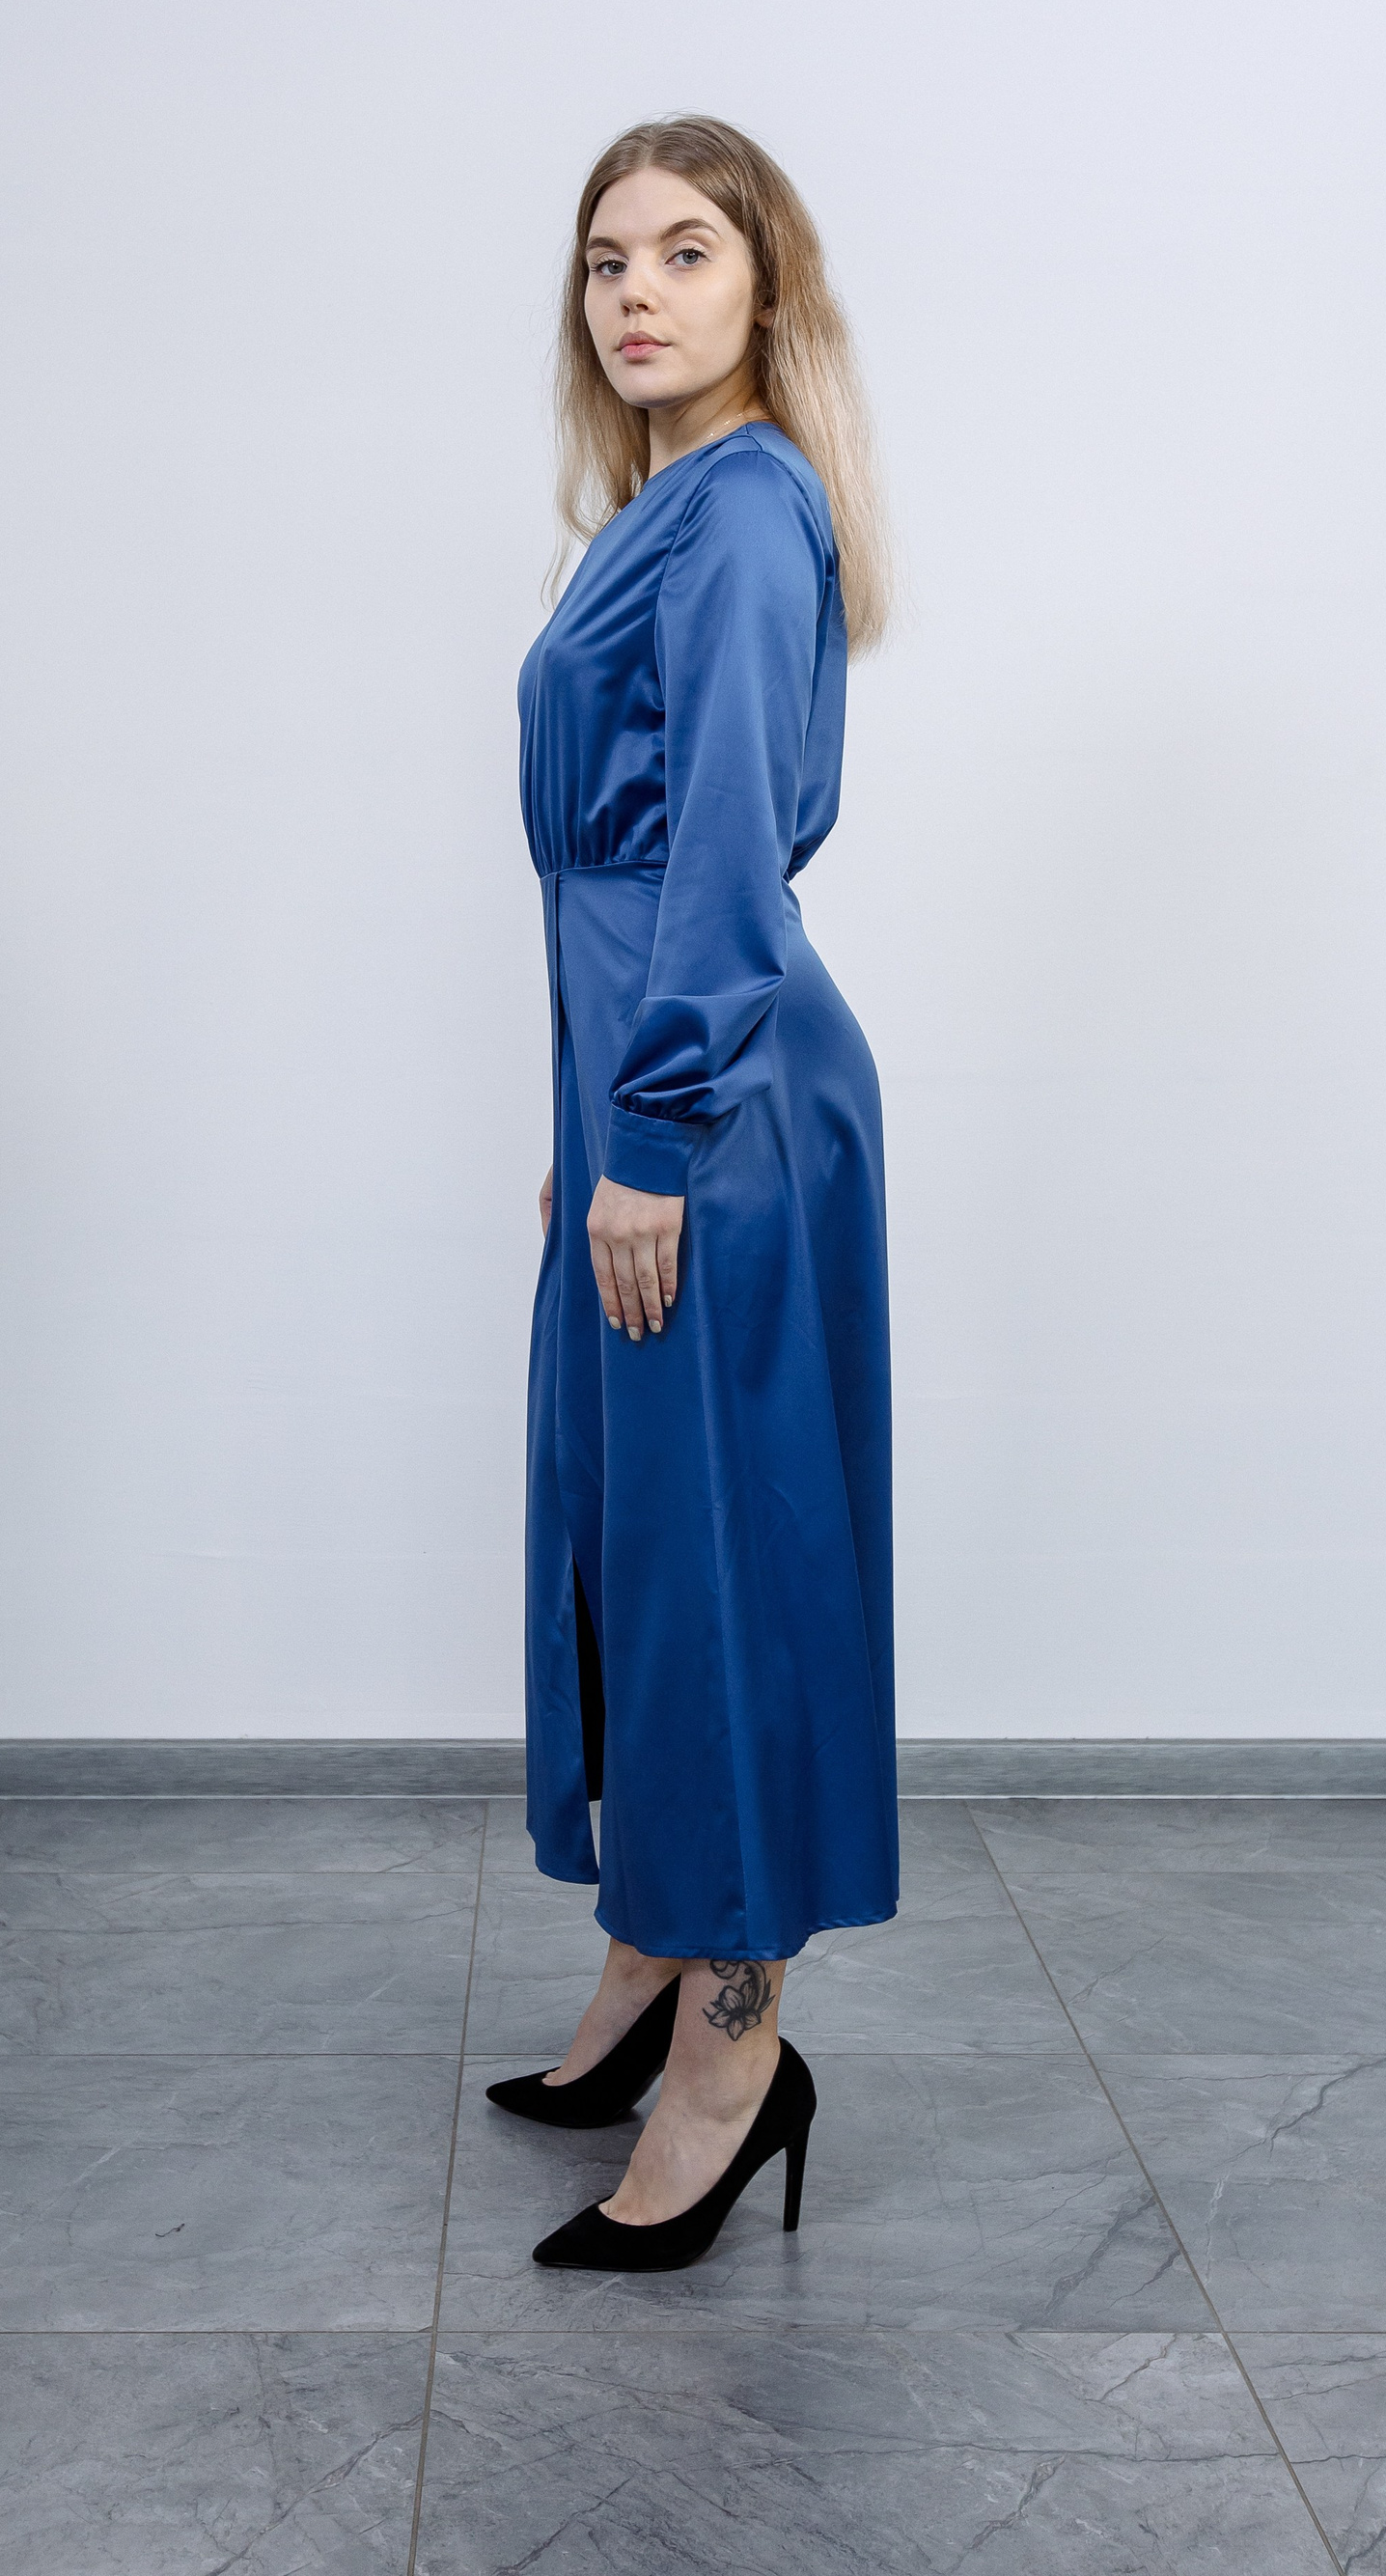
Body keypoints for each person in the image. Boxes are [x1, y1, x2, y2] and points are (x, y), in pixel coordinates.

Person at [488, 115, 897, 2273]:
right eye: (604, 259)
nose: (635, 292)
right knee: (639, 1548)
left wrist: (647, 1134)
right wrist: (589, 1122)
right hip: (651, 1088)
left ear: (764, 289)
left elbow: (726, 853)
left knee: (716, 1577)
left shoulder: (742, 510)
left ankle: (737, 2054)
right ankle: (655, 1957)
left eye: (684, 252)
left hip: (718, 1110)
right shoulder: (656, 511)